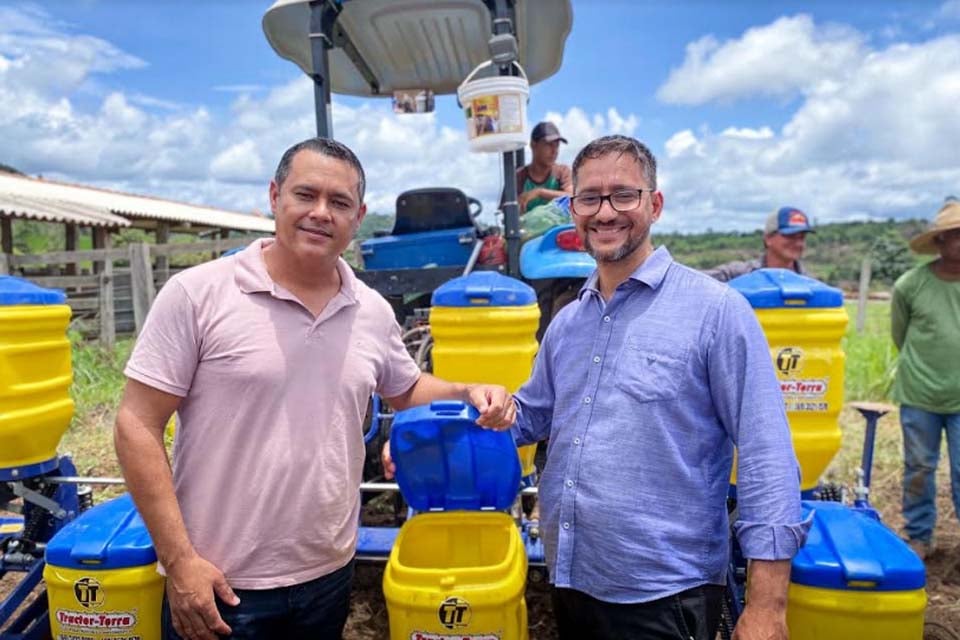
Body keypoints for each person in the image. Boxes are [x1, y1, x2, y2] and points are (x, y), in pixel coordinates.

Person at [114, 137, 515, 640]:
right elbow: (136, 423)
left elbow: (405, 387)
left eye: (340, 202)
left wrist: (468, 388)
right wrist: (180, 562)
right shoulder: (198, 294)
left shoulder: (369, 310)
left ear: (359, 215)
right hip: (222, 581)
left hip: (328, 573)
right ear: (275, 196)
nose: (321, 213)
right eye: (306, 195)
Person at [510, 135, 808, 639]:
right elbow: (531, 416)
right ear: (572, 210)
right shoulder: (567, 323)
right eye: (589, 198)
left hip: (665, 596)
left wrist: (767, 606)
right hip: (572, 580)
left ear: (655, 204)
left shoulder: (715, 311)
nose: (605, 212)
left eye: (623, 195)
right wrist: (453, 424)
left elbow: (766, 454)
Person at [891, 199, 960, 562]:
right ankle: (919, 536)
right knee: (919, 467)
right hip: (920, 394)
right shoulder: (911, 285)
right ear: (941, 241)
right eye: (957, 235)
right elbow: (900, 336)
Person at [705, 206, 814, 282]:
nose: (797, 243)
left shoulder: (811, 284)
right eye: (790, 236)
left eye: (802, 237)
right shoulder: (737, 274)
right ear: (768, 238)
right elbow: (697, 281)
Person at [514, 121, 573, 214]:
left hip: (559, 228)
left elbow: (572, 197)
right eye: (549, 145)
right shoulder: (518, 177)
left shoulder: (562, 172)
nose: (554, 151)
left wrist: (540, 192)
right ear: (533, 145)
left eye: (557, 146)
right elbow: (505, 214)